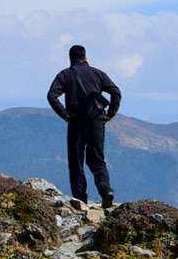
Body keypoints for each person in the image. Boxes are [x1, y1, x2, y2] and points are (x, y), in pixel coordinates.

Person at [46, 45, 122, 209]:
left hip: (76, 122)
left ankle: (80, 200)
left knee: (76, 161)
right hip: (96, 121)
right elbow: (116, 92)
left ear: (70, 58)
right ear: (85, 57)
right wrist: (109, 114)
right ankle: (106, 190)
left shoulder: (65, 75)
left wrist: (64, 114)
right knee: (97, 159)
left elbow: (51, 95)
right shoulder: (98, 73)